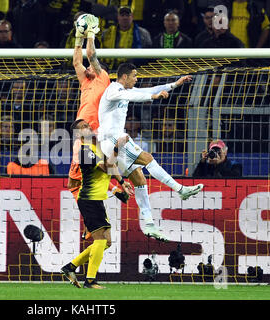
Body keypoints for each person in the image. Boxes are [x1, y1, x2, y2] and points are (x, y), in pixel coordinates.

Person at [98, 62, 204, 241]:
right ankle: (180, 189)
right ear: (124, 76)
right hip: (114, 140)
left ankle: (149, 224)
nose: (136, 78)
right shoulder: (113, 89)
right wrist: (154, 96)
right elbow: (140, 96)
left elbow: (145, 90)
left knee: (139, 178)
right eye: (134, 75)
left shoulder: (124, 91)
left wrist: (174, 85)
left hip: (113, 142)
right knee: (147, 158)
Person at [61, 120, 133, 289]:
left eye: (87, 125)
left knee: (107, 241)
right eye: (83, 127)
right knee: (100, 239)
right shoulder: (84, 151)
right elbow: (107, 168)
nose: (88, 127)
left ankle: (70, 267)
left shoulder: (95, 147)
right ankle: (90, 281)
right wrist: (118, 147)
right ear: (78, 134)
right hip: (88, 199)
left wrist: (123, 183)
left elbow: (111, 165)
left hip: (97, 199)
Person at [68, 13, 129, 208]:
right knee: (81, 176)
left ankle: (114, 190)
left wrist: (91, 35)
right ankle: (115, 190)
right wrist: (78, 38)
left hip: (98, 132)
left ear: (99, 69)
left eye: (91, 67)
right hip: (83, 131)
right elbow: (77, 62)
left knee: (91, 172)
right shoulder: (86, 80)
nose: (87, 68)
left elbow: (91, 56)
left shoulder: (103, 77)